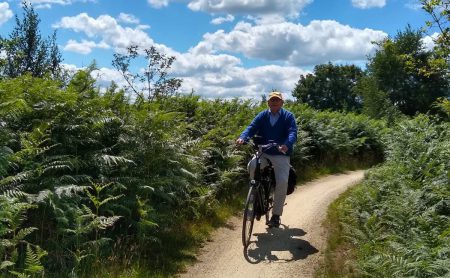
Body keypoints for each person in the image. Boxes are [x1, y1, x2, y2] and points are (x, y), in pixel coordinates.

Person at [236, 91, 297, 228]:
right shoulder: (262, 115)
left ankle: (276, 215)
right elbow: (251, 128)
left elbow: (292, 132)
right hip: (264, 151)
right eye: (272, 100)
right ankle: (256, 195)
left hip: (281, 153)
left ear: (282, 103)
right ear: (268, 102)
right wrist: (243, 137)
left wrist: (286, 145)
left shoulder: (288, 116)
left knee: (282, 182)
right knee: (252, 165)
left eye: (277, 100)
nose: (274, 102)